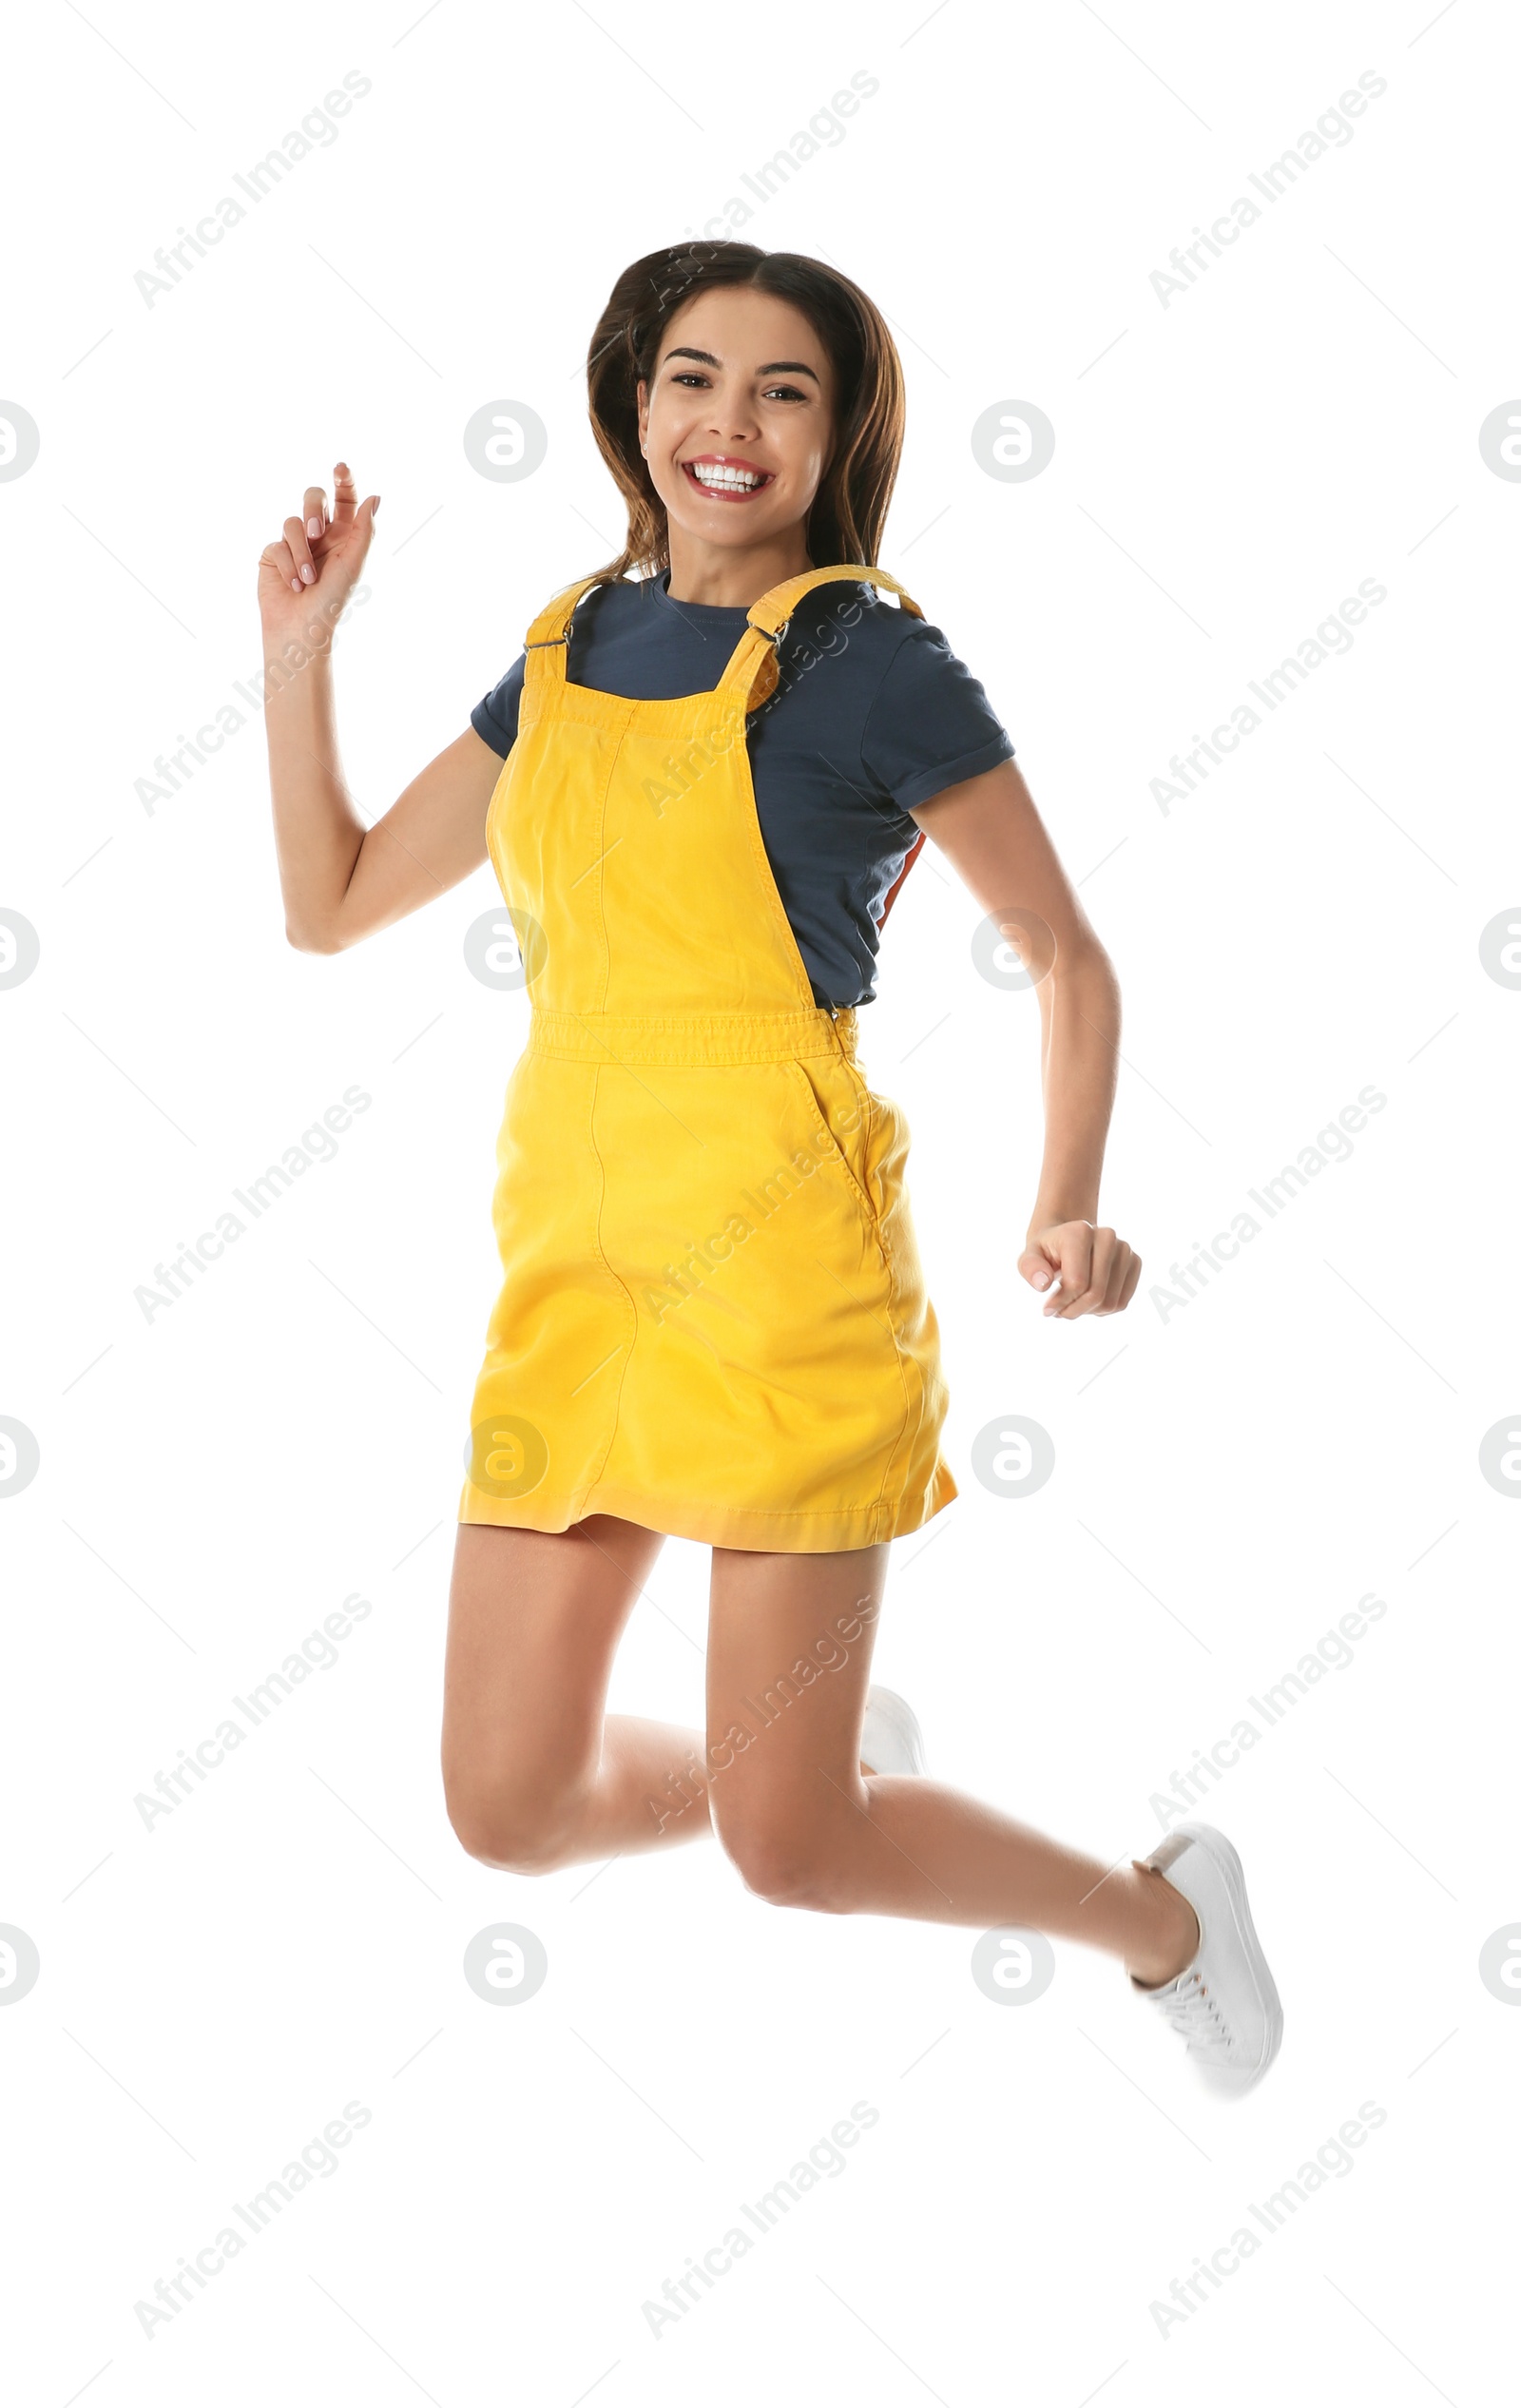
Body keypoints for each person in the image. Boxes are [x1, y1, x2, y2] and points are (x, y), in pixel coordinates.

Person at [258, 241, 1281, 2098]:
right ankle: (797, 1745)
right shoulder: (568, 645)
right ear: (630, 405)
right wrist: (298, 652)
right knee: (505, 1808)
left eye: (782, 389)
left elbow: (1063, 953)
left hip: (780, 1267)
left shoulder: (871, 661)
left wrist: (1067, 1202)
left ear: (835, 433)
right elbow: (330, 906)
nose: (727, 421)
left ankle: (1164, 1918)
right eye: (691, 378)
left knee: (789, 1852)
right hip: (571, 1258)